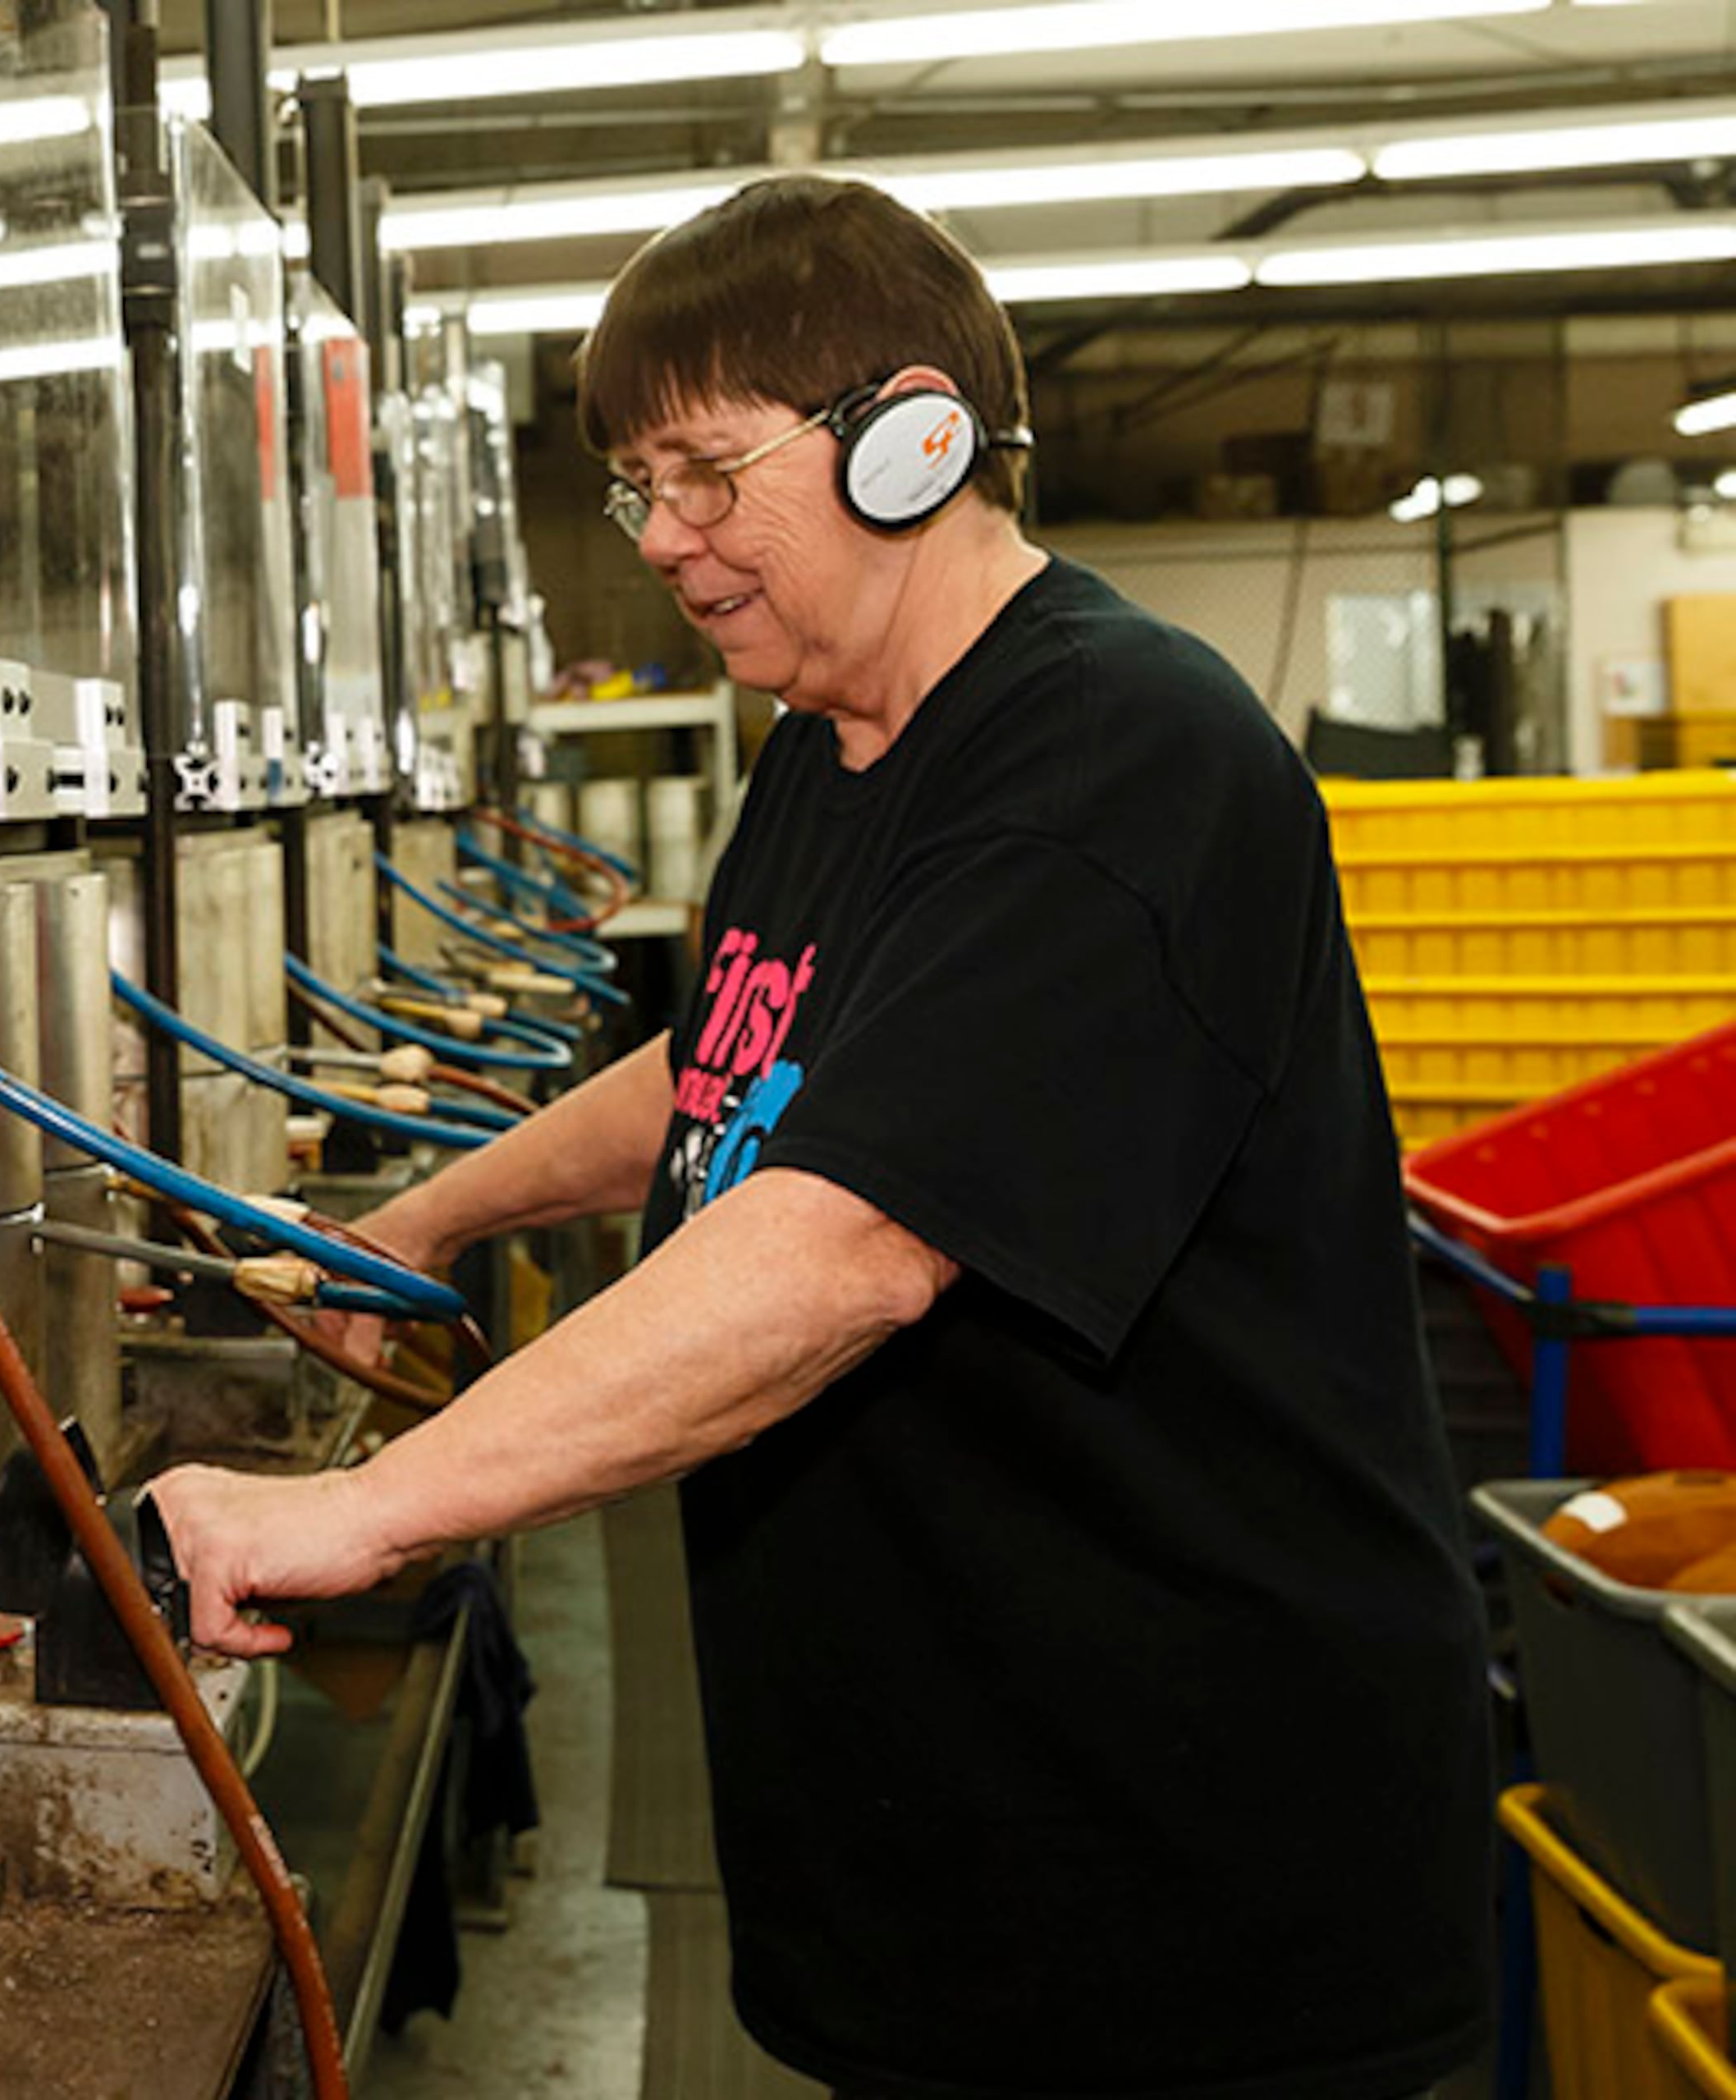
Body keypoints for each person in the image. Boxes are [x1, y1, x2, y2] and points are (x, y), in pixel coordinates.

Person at [149, 174, 1491, 2100]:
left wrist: (354, 1510)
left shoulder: (1117, 754)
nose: (668, 544)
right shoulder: (833, 747)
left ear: (915, 439)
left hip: (1189, 1899)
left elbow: (850, 1240)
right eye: (638, 488)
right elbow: (736, 1057)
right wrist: (429, 1219)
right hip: (950, 1859)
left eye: (706, 471)